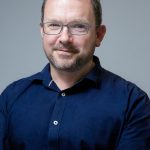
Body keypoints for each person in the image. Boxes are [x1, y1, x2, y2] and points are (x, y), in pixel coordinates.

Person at [0, 0, 150, 149]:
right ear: (42, 30)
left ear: (99, 35)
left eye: (79, 26)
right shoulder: (11, 97)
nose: (64, 38)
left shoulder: (133, 103)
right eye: (54, 25)